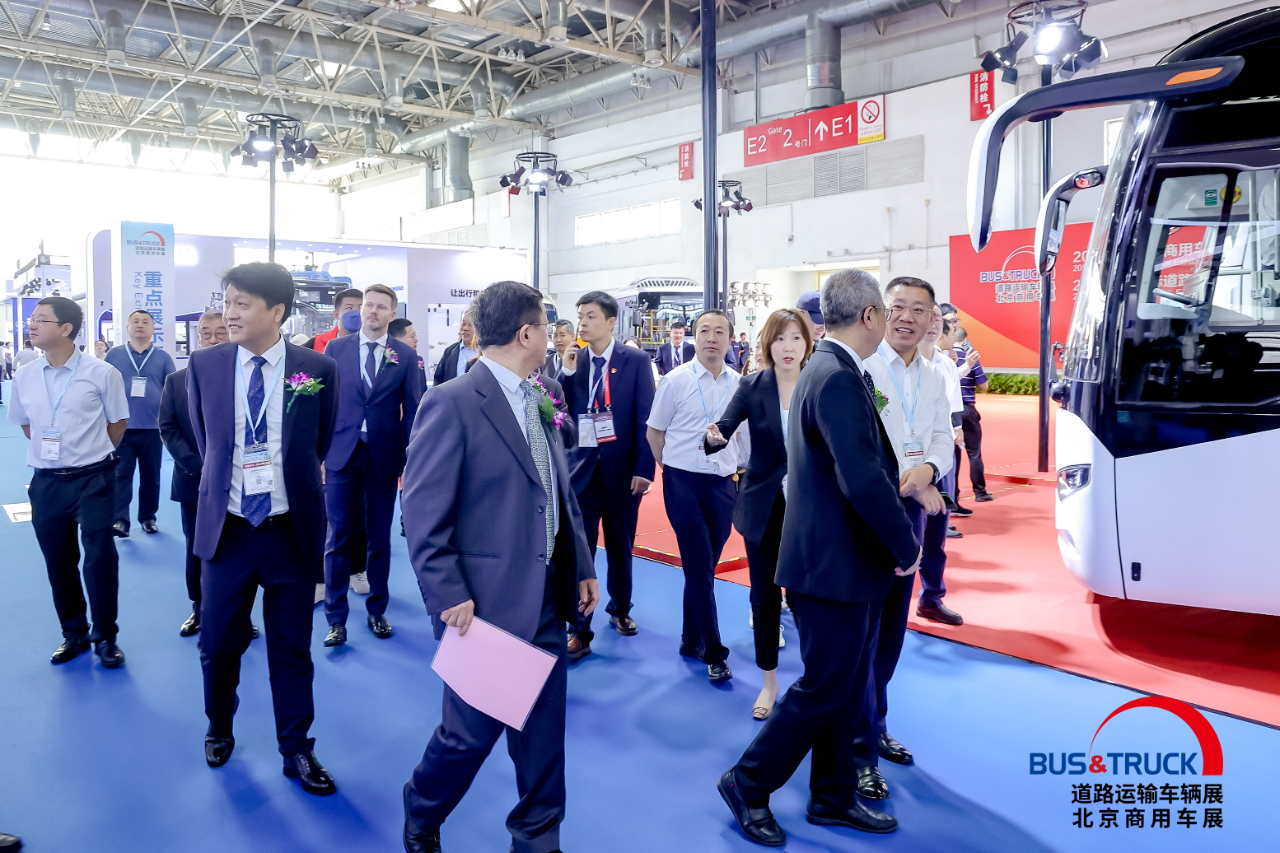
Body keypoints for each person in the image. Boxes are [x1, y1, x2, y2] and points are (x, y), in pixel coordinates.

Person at [718, 270, 920, 846]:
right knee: (824, 687)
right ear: (869, 316)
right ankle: (747, 782)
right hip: (831, 564)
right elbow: (862, 477)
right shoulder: (835, 376)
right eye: (888, 311)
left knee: (848, 685)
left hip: (841, 562)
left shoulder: (827, 368)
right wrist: (905, 545)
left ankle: (832, 795)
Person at [401, 280, 599, 853]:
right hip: (484, 602)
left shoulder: (541, 393)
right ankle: (421, 811)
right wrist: (448, 593)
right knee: (468, 736)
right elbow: (421, 512)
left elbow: (557, 492)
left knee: (543, 736)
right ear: (526, 333)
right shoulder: (453, 401)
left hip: (547, 593)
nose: (555, 336)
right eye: (548, 326)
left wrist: (581, 563)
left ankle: (538, 839)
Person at [186, 262, 338, 793]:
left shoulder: (316, 368)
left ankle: (296, 748)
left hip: (288, 533)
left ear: (277, 312)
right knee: (218, 643)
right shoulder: (204, 365)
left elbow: (318, 444)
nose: (229, 313)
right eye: (227, 302)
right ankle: (219, 726)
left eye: (242, 304)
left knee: (291, 648)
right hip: (227, 533)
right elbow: (207, 442)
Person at [855, 276, 952, 801]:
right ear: (879, 312)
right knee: (862, 634)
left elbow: (941, 436)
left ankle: (876, 723)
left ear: (932, 318)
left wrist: (929, 470)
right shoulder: (863, 368)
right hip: (867, 514)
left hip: (912, 511)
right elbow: (858, 450)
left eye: (919, 309)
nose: (907, 317)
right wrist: (908, 480)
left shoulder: (934, 374)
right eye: (898, 307)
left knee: (892, 629)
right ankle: (857, 751)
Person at [7, 296, 131, 669]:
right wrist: (56, 455)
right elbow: (27, 425)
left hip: (94, 479)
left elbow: (118, 424)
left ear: (66, 328)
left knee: (100, 559)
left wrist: (88, 453)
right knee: (58, 561)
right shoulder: (25, 375)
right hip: (46, 483)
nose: (31, 324)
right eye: (31, 318)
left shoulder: (102, 373)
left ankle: (105, 636)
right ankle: (73, 633)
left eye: (40, 319)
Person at [704, 308, 811, 719]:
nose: (788, 346)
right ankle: (769, 682)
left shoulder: (821, 382)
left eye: (796, 337)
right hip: (763, 510)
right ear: (768, 343)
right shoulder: (752, 385)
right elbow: (723, 428)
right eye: (780, 338)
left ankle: (815, 683)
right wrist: (713, 437)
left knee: (806, 599)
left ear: (808, 343)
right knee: (764, 599)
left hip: (811, 510)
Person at [646, 309, 748, 683]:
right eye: (704, 330)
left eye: (719, 331)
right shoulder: (675, 381)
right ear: (695, 336)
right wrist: (672, 469)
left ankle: (691, 639)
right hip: (682, 483)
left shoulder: (741, 385)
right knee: (700, 564)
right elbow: (654, 433)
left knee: (702, 566)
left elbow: (745, 438)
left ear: (730, 339)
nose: (711, 337)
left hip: (723, 484)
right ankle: (714, 652)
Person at [322, 284, 424, 646]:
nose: (372, 311)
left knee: (379, 537)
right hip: (341, 454)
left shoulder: (405, 356)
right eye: (368, 305)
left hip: (383, 456)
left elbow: (415, 411)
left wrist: (410, 461)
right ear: (360, 309)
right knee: (338, 536)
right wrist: (320, 453)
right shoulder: (336, 350)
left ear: (392, 315)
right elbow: (324, 404)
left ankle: (377, 610)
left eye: (381, 307)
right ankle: (336, 618)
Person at [558, 291, 655, 659]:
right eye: (581, 316)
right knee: (580, 553)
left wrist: (644, 468)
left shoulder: (635, 360)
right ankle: (578, 629)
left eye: (591, 316)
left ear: (611, 322)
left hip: (623, 472)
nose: (583, 323)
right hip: (581, 472)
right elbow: (558, 411)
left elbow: (645, 417)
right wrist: (566, 372)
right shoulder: (573, 360)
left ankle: (621, 609)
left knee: (620, 546)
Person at [160, 312, 257, 638]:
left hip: (242, 482)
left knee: (241, 550)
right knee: (197, 547)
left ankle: (241, 615)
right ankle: (200, 608)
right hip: (195, 480)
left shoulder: (248, 378)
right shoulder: (177, 381)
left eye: (221, 332)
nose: (213, 339)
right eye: (206, 333)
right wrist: (202, 467)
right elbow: (168, 428)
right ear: (197, 337)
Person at [103, 310, 176, 538]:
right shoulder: (114, 355)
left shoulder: (163, 357)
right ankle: (120, 520)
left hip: (153, 428)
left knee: (151, 476)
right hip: (121, 427)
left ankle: (148, 517)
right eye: (135, 321)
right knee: (121, 475)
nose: (140, 325)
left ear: (153, 329)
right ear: (127, 328)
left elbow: (172, 391)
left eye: (145, 322)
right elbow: (103, 387)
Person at [914, 309, 966, 626]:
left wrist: (957, 430)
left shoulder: (946, 365)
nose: (934, 325)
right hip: (910, 463)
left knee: (936, 534)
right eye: (927, 318)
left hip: (942, 462)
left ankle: (931, 598)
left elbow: (954, 410)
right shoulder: (890, 365)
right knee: (908, 535)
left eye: (938, 321)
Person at [953, 325, 992, 502]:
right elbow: (984, 385)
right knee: (974, 452)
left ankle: (953, 494)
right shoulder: (970, 358)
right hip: (967, 409)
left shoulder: (944, 358)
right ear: (965, 340)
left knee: (953, 456)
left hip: (951, 411)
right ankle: (980, 492)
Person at [304, 288, 363, 353]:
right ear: (336, 314)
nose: (356, 312)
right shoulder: (314, 344)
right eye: (349, 308)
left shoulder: (370, 343)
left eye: (361, 308)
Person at [432, 310, 479, 386]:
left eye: (470, 325)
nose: (465, 328)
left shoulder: (486, 353)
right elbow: (438, 381)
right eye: (463, 324)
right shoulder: (449, 352)